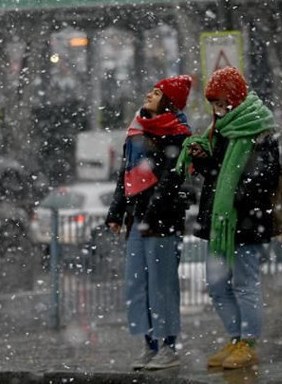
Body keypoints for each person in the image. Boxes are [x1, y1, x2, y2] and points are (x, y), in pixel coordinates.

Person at [176, 66, 279, 370]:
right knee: (217, 283)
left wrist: (236, 195)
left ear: (235, 98)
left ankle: (249, 342)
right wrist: (203, 159)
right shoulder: (221, 129)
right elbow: (216, 174)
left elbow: (265, 178)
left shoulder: (259, 128)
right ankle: (235, 338)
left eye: (222, 103)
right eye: (214, 105)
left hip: (245, 221)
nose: (218, 110)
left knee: (246, 282)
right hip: (220, 221)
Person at [105, 75, 193, 371]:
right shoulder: (136, 130)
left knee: (162, 284)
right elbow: (125, 175)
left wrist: (154, 207)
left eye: (156, 93)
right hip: (137, 219)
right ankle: (149, 344)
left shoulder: (177, 133)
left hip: (163, 221)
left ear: (168, 101)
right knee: (136, 284)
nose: (149, 94)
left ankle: (168, 345)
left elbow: (173, 176)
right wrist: (116, 212)